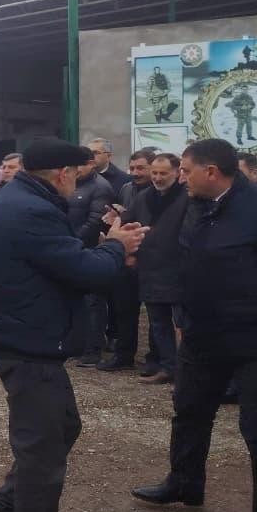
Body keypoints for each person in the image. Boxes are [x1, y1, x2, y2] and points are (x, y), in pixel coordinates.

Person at [0, 138, 145, 512]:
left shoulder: (23, 200)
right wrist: (116, 247)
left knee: (63, 427)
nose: (78, 179)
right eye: (77, 172)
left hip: (25, 334)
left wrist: (107, 247)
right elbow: (84, 271)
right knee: (44, 448)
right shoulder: (31, 210)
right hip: (27, 341)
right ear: (63, 174)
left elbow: (61, 260)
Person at [131, 139, 257, 512]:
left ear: (212, 172)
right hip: (203, 333)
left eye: (186, 170)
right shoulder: (192, 205)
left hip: (251, 337)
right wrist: (183, 312)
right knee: (188, 409)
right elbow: (180, 257)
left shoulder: (253, 208)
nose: (180, 177)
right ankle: (184, 483)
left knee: (256, 431)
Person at [127, 153, 187, 385]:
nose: (158, 178)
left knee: (184, 324)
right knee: (158, 323)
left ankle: (188, 371)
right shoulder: (143, 197)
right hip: (150, 269)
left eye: (163, 173)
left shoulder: (187, 197)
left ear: (177, 172)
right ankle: (168, 367)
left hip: (180, 270)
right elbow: (129, 221)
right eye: (154, 173)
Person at [103, 149, 156, 372]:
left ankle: (156, 359)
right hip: (126, 259)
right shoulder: (126, 188)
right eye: (132, 168)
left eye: (141, 168)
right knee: (124, 309)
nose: (135, 172)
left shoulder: (160, 192)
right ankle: (123, 355)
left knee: (155, 314)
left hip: (150, 260)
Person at [68, 149, 116, 368]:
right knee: (77, 301)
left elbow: (95, 221)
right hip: (73, 249)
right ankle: (78, 344)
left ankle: (92, 350)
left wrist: (72, 241)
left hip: (89, 250)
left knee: (93, 303)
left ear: (91, 164)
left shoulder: (100, 187)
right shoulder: (74, 184)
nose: (75, 170)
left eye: (79, 165)